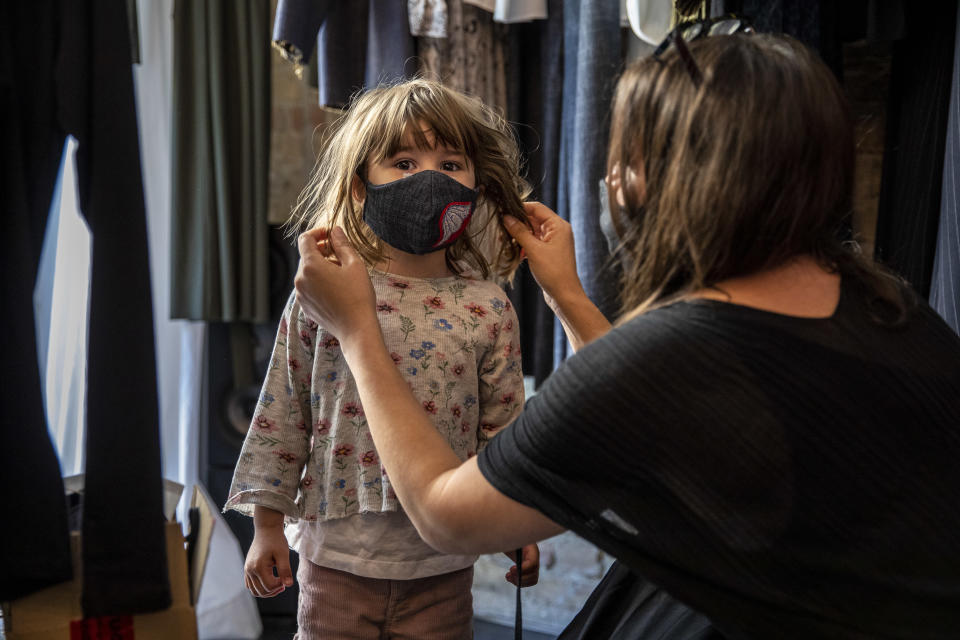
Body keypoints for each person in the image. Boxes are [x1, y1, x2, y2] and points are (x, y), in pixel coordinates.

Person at [292, 30, 960, 639]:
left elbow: (446, 514)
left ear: (674, 182)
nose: (612, 182)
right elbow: (642, 410)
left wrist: (356, 332)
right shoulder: (893, 309)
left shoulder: (677, 353)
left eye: (627, 161)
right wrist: (568, 295)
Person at [224, 78, 540, 639]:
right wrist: (267, 527)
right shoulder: (324, 294)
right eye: (402, 161)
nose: (429, 178)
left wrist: (518, 522)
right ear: (361, 185)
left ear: (476, 182)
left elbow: (505, 427)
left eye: (450, 161)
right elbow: (283, 409)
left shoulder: (488, 306)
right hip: (336, 563)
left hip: (444, 567)